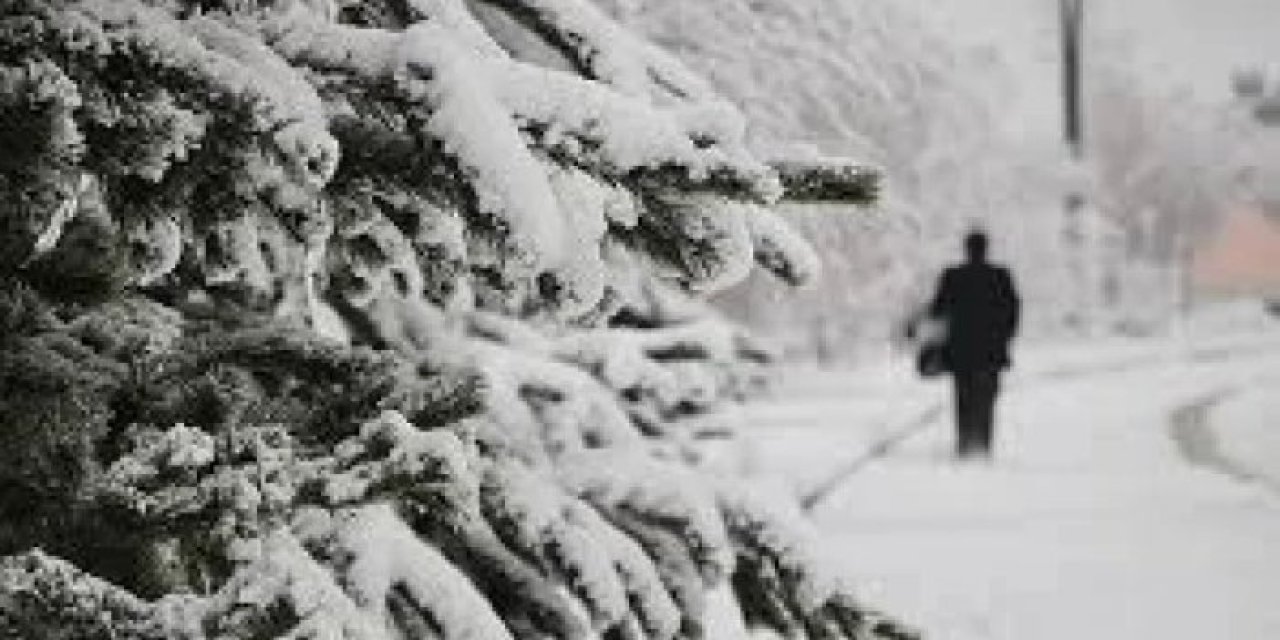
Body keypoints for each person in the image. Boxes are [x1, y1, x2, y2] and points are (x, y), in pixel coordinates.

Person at [928, 230, 1020, 459]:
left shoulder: (953, 276)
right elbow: (1012, 311)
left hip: (961, 352)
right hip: (991, 351)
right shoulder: (1000, 276)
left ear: (966, 249)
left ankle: (964, 443)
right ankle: (983, 444)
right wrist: (1005, 336)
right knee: (987, 398)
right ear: (986, 248)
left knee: (963, 398)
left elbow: (938, 309)